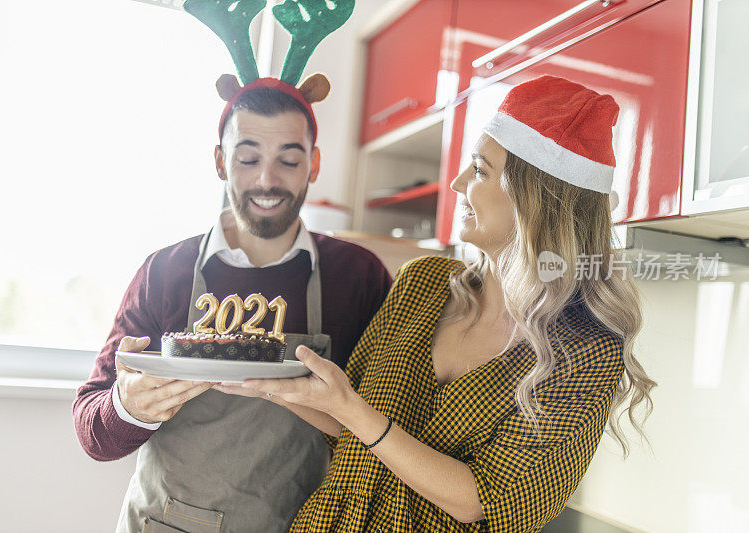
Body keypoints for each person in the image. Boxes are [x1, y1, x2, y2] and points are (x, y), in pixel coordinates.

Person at [219, 75, 657, 532]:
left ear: (536, 199)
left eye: (481, 170)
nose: (457, 183)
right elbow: (351, 423)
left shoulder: (587, 352)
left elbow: (485, 502)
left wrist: (349, 408)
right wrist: (260, 378)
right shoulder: (422, 283)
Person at [72, 77, 392, 531]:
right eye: (248, 158)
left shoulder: (357, 277)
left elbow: (393, 427)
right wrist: (129, 408)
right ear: (220, 162)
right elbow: (92, 431)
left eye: (289, 158)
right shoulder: (165, 272)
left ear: (314, 164)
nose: (267, 180)